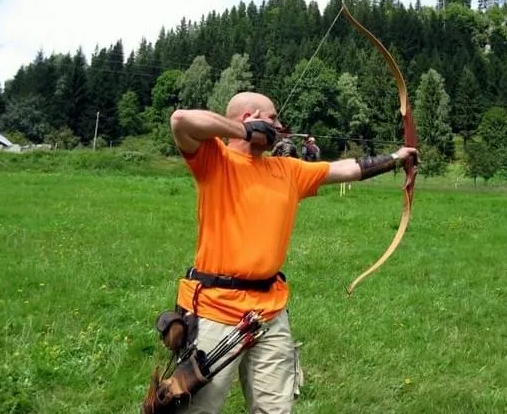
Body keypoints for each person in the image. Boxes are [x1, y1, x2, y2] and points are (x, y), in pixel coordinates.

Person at [167, 91, 418, 414]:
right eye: (272, 119)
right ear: (250, 117)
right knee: (196, 409)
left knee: (275, 410)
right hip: (216, 309)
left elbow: (346, 169)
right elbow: (181, 120)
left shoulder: (288, 170)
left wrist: (397, 157)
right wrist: (246, 132)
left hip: (269, 314)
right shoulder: (214, 159)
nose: (279, 125)